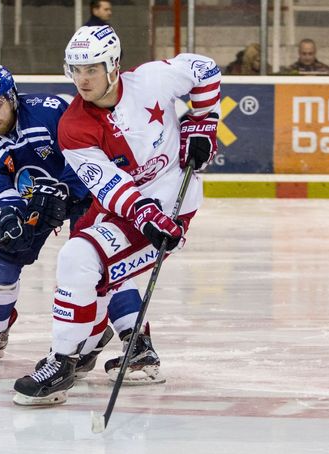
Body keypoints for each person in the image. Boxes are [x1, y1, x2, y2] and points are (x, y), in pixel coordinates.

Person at [12, 25, 221, 406]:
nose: (82, 79)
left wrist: (204, 119)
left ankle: (64, 360)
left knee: (81, 259)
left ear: (113, 65)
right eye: (75, 69)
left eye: (91, 68)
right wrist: (144, 215)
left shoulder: (152, 80)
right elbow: (110, 186)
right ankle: (100, 346)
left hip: (172, 201)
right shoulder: (73, 126)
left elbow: (205, 69)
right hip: (128, 207)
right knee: (89, 268)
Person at [0, 63, 169, 387]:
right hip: (36, 204)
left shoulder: (49, 111)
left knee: (101, 264)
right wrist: (10, 216)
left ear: (12, 98)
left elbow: (85, 149)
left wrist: (65, 188)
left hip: (84, 191)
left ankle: (136, 343)